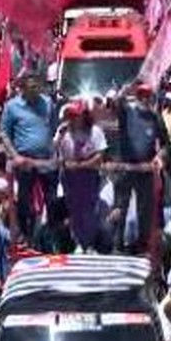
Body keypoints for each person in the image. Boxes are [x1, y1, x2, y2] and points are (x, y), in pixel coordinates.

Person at [0, 73, 58, 242]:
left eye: (37, 87)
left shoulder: (47, 103)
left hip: (46, 159)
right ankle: (27, 235)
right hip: (23, 159)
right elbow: (4, 133)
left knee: (52, 198)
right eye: (32, 87)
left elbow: (53, 127)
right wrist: (14, 155)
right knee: (25, 201)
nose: (36, 90)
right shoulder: (12, 106)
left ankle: (51, 236)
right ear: (23, 89)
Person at [113, 83, 170, 254]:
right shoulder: (127, 112)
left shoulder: (155, 118)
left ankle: (142, 244)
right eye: (141, 95)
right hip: (126, 167)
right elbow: (117, 102)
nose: (145, 99)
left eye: (148, 96)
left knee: (145, 209)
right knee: (121, 206)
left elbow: (165, 144)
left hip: (145, 169)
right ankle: (118, 243)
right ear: (137, 96)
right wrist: (127, 88)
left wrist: (159, 157)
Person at [55, 101, 108, 252]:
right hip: (70, 176)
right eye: (70, 116)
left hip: (89, 176)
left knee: (89, 210)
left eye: (75, 116)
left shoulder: (95, 131)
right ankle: (78, 242)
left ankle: (89, 243)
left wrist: (82, 165)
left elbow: (100, 155)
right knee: (74, 209)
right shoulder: (63, 131)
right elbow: (55, 150)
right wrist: (60, 134)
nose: (72, 119)